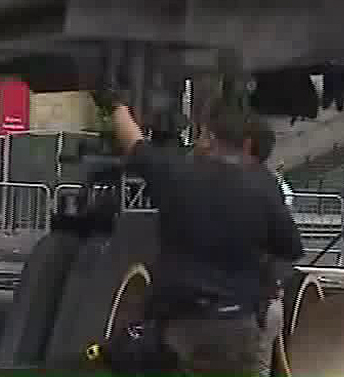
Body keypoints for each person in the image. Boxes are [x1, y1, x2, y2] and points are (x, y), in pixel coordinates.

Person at [111, 100, 302, 376]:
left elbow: (135, 145)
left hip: (177, 321)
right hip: (235, 321)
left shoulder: (178, 172)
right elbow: (291, 247)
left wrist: (115, 105)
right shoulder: (264, 185)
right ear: (247, 145)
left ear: (211, 138)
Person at [245, 117, 294, 377]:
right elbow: (290, 248)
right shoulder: (276, 187)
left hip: (246, 303)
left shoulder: (243, 186)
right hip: (269, 298)